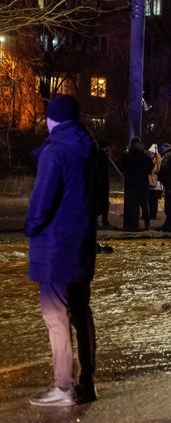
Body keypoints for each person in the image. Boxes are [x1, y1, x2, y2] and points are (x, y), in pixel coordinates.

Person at [25, 95, 98, 406]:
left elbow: (41, 203)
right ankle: (86, 383)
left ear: (51, 119)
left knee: (56, 316)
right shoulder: (90, 149)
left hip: (55, 247)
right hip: (82, 244)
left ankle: (63, 387)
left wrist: (30, 225)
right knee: (81, 313)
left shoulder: (54, 151)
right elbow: (100, 198)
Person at [122, 137, 152, 231]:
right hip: (143, 182)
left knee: (133, 204)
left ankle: (134, 224)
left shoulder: (128, 154)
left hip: (131, 182)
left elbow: (124, 166)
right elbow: (151, 167)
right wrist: (145, 173)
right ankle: (147, 225)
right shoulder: (146, 154)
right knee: (144, 203)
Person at [95, 140, 112, 228]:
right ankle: (102, 221)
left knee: (103, 203)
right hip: (101, 185)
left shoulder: (100, 156)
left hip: (101, 184)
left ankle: (103, 221)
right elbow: (101, 172)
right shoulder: (101, 157)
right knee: (101, 203)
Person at [147, 144, 163, 221]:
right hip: (150, 182)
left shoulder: (158, 160)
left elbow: (156, 170)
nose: (150, 154)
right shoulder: (151, 159)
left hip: (156, 183)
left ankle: (153, 215)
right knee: (150, 199)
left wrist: (150, 170)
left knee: (153, 200)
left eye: (151, 153)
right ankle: (150, 214)